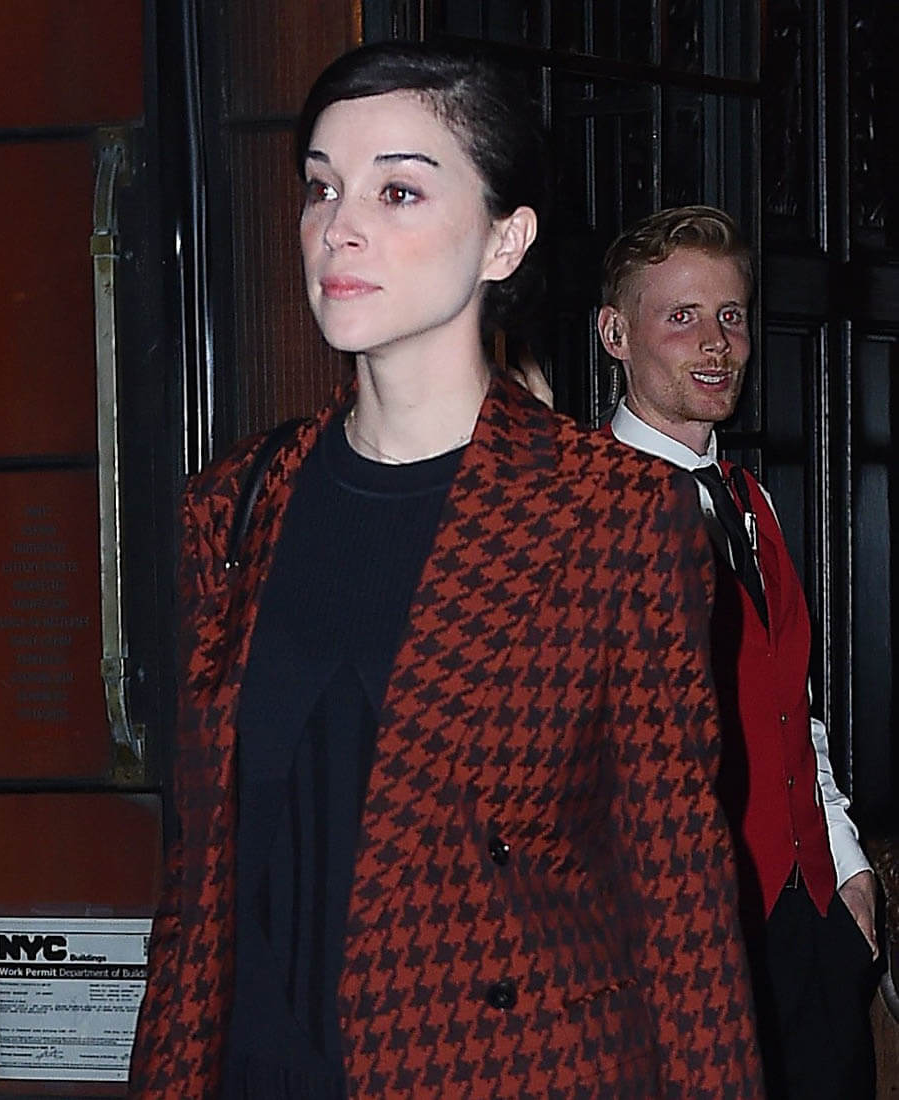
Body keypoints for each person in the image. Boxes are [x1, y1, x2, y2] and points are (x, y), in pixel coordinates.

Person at [127, 47, 763, 1099]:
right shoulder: (234, 506)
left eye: (398, 191)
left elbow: (680, 894)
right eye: (322, 188)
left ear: (503, 240)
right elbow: (197, 889)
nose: (340, 227)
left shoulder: (614, 514)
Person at [591, 205, 880, 1099]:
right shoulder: (580, 514)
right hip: (672, 951)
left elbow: (795, 708)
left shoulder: (751, 499)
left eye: (730, 316)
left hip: (811, 925)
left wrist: (850, 867)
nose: (716, 344)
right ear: (615, 334)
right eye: (681, 316)